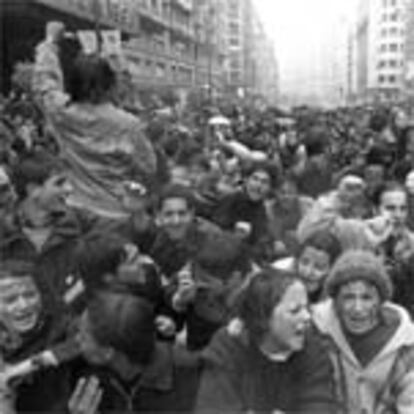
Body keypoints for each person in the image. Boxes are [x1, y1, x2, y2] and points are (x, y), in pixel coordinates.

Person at [33, 23, 157, 219]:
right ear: (111, 85)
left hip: (77, 211)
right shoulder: (128, 125)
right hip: (116, 214)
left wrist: (49, 43)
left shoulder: (61, 112)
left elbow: (45, 84)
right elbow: (149, 167)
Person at [196, 268, 340, 414]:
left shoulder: (314, 353)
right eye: (295, 310)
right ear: (263, 318)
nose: (307, 317)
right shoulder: (228, 347)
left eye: (306, 307)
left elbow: (321, 405)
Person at [313, 250, 414, 414]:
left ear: (380, 300)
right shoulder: (317, 329)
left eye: (367, 298)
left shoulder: (407, 342)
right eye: (348, 297)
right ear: (335, 300)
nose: (357, 308)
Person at [69, 289, 201, 413]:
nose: (77, 339)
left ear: (107, 352)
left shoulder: (173, 403)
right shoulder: (163, 360)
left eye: (84, 336)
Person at [0, 260, 72, 413]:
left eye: (30, 294)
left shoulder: (61, 328)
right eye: (10, 300)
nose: (23, 305)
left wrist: (28, 366)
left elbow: (86, 341)